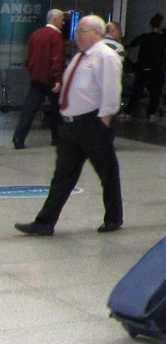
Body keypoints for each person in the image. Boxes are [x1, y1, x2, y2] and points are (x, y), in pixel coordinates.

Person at [15, 15, 123, 235]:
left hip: (92, 124)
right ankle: (44, 222)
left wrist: (104, 120)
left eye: (82, 31)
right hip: (72, 126)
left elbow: (111, 90)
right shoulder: (80, 57)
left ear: (96, 33)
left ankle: (114, 218)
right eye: (77, 31)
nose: (77, 36)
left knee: (107, 172)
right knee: (62, 176)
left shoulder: (105, 56)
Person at [12, 7, 65, 150]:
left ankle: (19, 137)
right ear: (55, 19)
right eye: (61, 19)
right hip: (51, 79)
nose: (63, 23)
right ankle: (57, 138)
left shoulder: (35, 34)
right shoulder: (56, 36)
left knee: (29, 109)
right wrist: (58, 79)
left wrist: (33, 71)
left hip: (37, 77)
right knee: (56, 110)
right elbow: (57, 60)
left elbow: (29, 58)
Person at [124, 12, 166, 117]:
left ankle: (127, 112)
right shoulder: (162, 38)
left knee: (137, 92)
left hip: (144, 69)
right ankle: (152, 113)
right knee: (154, 93)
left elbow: (132, 44)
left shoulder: (145, 37)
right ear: (160, 25)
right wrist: (162, 29)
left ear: (150, 25)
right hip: (157, 69)